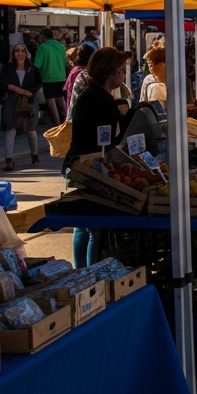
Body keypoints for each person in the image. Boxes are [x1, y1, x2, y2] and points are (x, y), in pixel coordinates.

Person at [66, 48, 135, 268]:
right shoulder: (98, 98)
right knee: (93, 226)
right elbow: (106, 140)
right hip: (89, 165)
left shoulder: (96, 94)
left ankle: (80, 271)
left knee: (83, 224)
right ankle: (90, 273)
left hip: (82, 161)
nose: (123, 73)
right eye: (120, 69)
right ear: (108, 71)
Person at [0, 43, 41, 171]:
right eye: (17, 51)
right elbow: (4, 84)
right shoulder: (7, 68)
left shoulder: (33, 68)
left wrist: (28, 93)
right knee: (11, 129)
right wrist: (18, 90)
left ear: (26, 53)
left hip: (29, 101)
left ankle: (34, 155)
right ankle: (8, 159)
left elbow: (38, 83)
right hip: (12, 101)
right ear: (13, 54)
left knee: (30, 129)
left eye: (22, 51)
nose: (20, 53)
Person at [34, 28, 68, 125]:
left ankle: (57, 123)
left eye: (40, 37)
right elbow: (66, 62)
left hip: (48, 77)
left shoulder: (42, 48)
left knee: (50, 100)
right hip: (61, 76)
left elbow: (37, 64)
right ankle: (67, 120)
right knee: (60, 98)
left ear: (43, 37)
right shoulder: (61, 46)